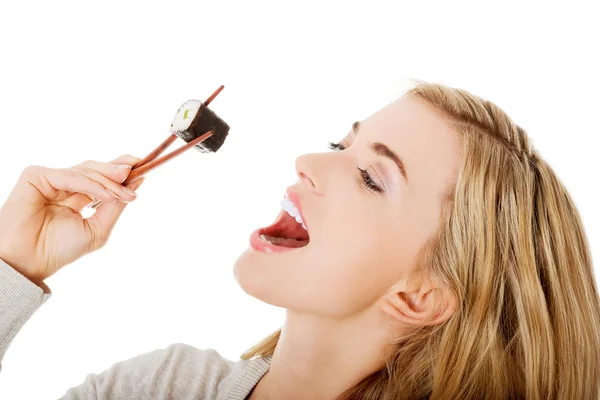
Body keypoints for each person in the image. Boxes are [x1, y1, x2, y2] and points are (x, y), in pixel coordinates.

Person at [1, 81, 599, 400]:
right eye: (342, 145)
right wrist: (11, 264)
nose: (309, 160)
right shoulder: (163, 388)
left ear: (419, 296)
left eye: (372, 178)